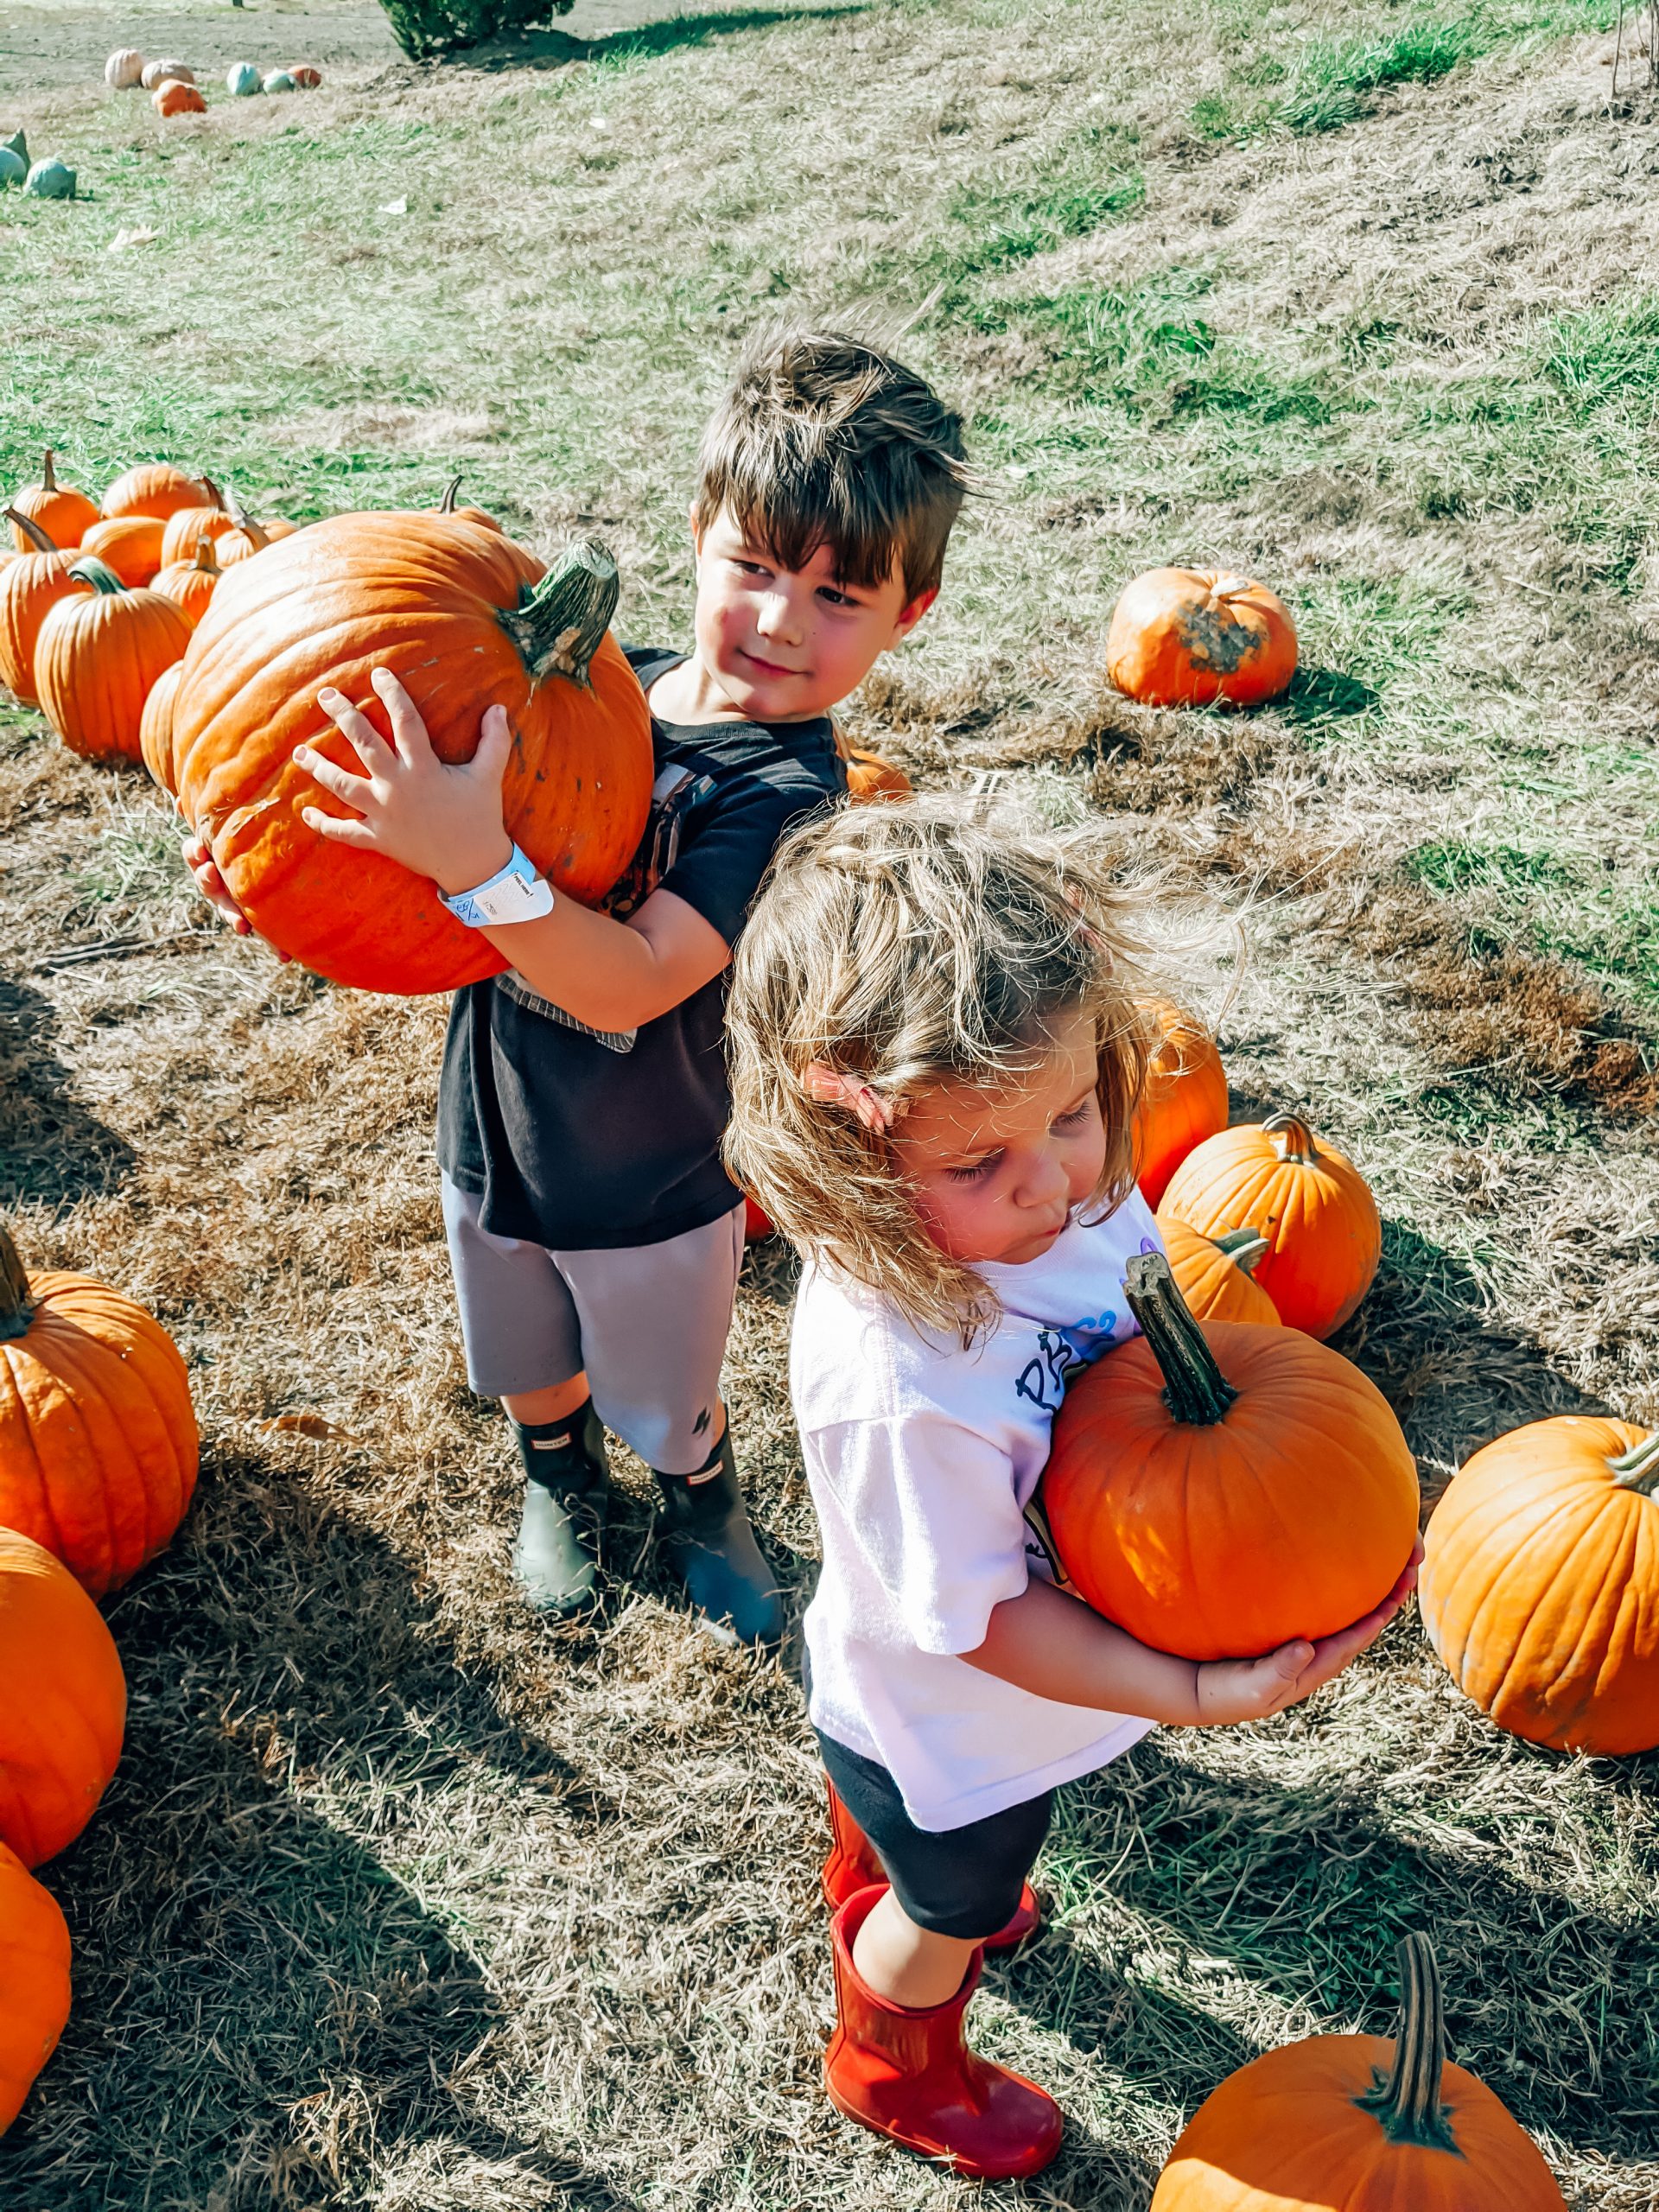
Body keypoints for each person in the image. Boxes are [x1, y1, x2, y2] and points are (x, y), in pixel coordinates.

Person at [188, 326, 971, 1646]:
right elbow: (398, 891)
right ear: (701, 529)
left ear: (911, 615)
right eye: (758, 566)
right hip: (494, 1126)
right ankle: (556, 1475)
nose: (782, 619)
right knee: (526, 1357)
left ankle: (698, 1499)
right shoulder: (601, 686)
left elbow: (638, 980)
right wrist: (275, 866)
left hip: (657, 1167)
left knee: (662, 1386)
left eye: (841, 598)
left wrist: (478, 860)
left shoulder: (786, 796)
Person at [722, 796, 1422, 2175]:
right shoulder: (903, 1379)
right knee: (955, 1897)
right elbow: (978, 1621)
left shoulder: (1068, 1195)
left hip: (966, 1687)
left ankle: (877, 1862)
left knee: (897, 1824)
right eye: (982, 1161)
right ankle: (892, 2049)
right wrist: (1192, 1693)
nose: (1055, 1185)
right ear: (847, 1164)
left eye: (1070, 1114)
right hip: (968, 1718)